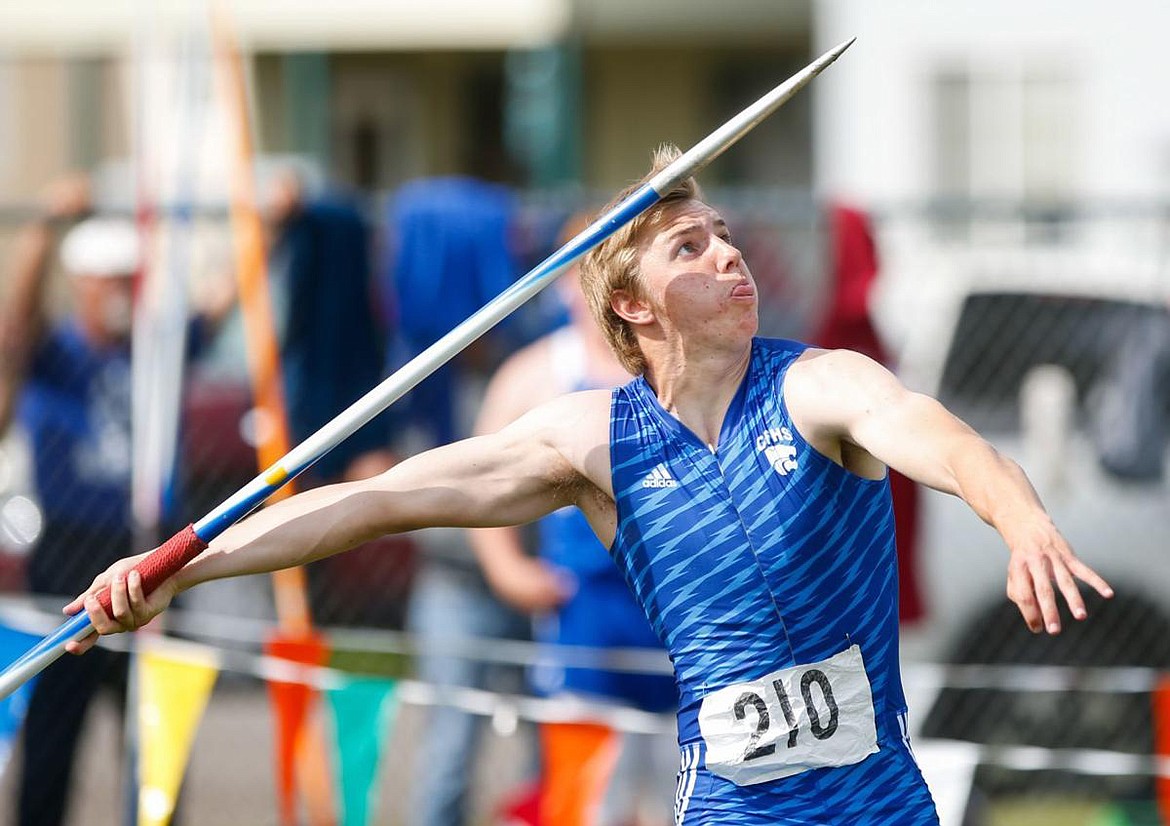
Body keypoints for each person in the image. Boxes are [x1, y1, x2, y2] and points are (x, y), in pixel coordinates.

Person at [71, 145, 1113, 825]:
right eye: (690, 247)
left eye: (726, 234)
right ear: (635, 307)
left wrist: (1020, 519)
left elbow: (951, 442)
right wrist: (185, 567)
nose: (732, 256)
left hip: (877, 807)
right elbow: (363, 506)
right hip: (725, 812)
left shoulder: (821, 386)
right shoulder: (591, 444)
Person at [0, 179, 228, 826]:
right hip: (67, 557)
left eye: (133, 278)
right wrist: (44, 226)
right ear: (83, 284)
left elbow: (221, 303)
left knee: (154, 738)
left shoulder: (155, 351)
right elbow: (16, 322)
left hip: (148, 553)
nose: (125, 292)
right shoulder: (55, 353)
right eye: (111, 280)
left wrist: (251, 226)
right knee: (51, 738)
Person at [469, 213, 677, 826]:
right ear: (562, 285)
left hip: (678, 617)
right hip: (586, 614)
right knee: (588, 803)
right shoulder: (535, 374)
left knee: (691, 804)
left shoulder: (674, 367)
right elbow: (477, 488)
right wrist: (509, 570)